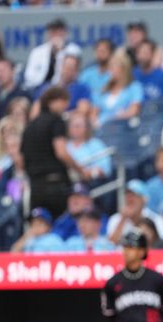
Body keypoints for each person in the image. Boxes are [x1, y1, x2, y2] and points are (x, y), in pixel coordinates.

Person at [21, 87, 87, 218]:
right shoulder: (56, 121)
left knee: (41, 230)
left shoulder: (29, 127)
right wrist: (81, 171)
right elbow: (61, 152)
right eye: (64, 101)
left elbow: (23, 158)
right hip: (55, 185)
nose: (66, 106)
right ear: (53, 101)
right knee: (61, 226)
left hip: (35, 188)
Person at [23, 18, 80, 90]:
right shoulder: (37, 51)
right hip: (39, 89)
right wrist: (45, 85)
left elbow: (71, 75)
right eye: (52, 31)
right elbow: (29, 76)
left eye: (58, 31)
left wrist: (60, 52)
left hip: (65, 88)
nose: (55, 35)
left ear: (64, 32)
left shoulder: (73, 49)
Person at [106, 179, 163, 244]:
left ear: (144, 199)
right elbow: (111, 246)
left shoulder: (156, 219)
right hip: (122, 254)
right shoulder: (115, 219)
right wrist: (123, 219)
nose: (130, 199)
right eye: (127, 195)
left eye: (134, 195)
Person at [91, 52, 144, 128]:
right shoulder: (104, 89)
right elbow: (94, 112)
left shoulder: (134, 87)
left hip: (122, 129)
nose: (110, 71)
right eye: (109, 68)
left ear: (123, 69)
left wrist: (116, 119)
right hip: (101, 129)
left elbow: (134, 110)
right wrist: (95, 123)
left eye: (113, 67)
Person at [30, 54, 91, 118]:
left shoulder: (82, 88)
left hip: (69, 122)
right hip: (47, 123)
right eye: (66, 66)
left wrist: (63, 116)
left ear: (76, 71)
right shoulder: (47, 87)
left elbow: (83, 111)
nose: (68, 70)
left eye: (71, 68)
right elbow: (35, 111)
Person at [66, 112, 112, 184]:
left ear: (86, 128)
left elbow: (105, 169)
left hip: (91, 182)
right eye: (73, 126)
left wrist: (89, 173)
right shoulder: (65, 147)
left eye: (79, 126)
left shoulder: (96, 144)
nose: (76, 129)